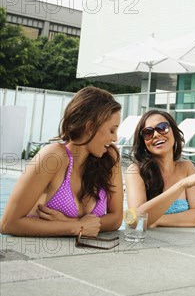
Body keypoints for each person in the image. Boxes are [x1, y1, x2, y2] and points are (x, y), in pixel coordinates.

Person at [0, 86, 124, 237]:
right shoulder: (53, 157)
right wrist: (74, 227)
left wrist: (69, 222)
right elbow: (8, 224)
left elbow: (116, 218)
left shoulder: (109, 157)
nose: (115, 138)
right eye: (112, 130)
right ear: (90, 127)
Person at [125, 110, 195, 227]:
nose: (156, 135)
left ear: (174, 132)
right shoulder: (135, 171)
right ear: (143, 142)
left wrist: (156, 220)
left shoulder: (186, 167)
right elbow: (136, 221)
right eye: (148, 132)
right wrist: (181, 185)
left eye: (162, 127)